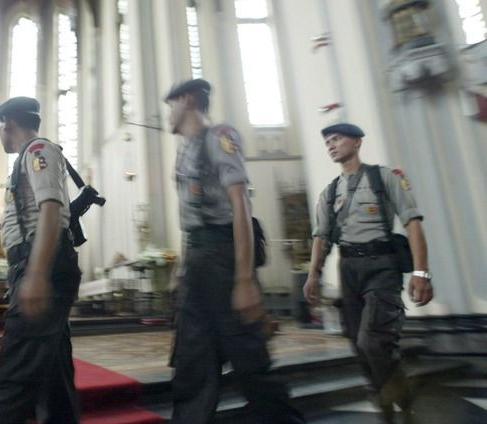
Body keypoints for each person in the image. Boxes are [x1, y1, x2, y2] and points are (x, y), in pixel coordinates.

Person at [165, 78, 305, 424]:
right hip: (198, 259)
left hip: (223, 259)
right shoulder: (184, 150)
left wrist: (245, 280)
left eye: (171, 103)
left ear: (187, 100)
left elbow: (240, 204)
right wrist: (183, 267)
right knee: (191, 363)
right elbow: (193, 219)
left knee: (249, 359)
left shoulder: (219, 137)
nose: (167, 112)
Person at [303, 123, 434, 424]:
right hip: (348, 267)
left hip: (382, 265)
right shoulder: (330, 192)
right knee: (359, 346)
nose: (331, 145)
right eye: (327, 142)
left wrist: (421, 272)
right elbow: (321, 237)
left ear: (357, 142)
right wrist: (313, 274)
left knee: (371, 341)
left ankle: (400, 397)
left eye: (337, 139)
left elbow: (413, 223)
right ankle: (388, 405)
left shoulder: (385, 178)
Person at [0, 97, 82, 424]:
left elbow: (50, 209)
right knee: (55, 375)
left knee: (15, 372)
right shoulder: (27, 157)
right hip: (38, 264)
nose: (0, 134)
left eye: (0, 127)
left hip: (43, 265)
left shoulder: (38, 150)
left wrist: (36, 273)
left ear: (8, 123)